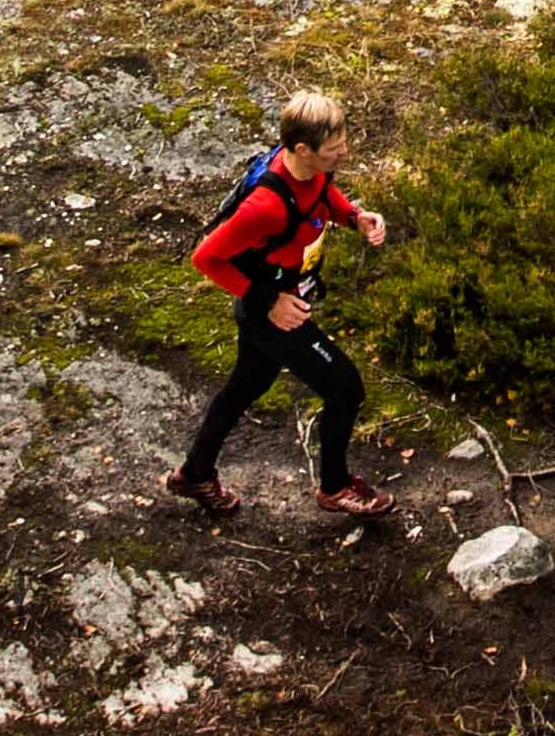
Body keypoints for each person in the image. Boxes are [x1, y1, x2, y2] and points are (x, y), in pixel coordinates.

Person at [167, 90, 397, 518]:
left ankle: (194, 474)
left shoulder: (312, 170)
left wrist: (353, 217)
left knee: (245, 387)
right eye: (334, 149)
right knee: (345, 387)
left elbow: (322, 194)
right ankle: (335, 486)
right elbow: (206, 258)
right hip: (271, 312)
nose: (343, 153)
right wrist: (268, 300)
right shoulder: (265, 206)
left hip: (282, 300)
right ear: (302, 149)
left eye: (343, 142)